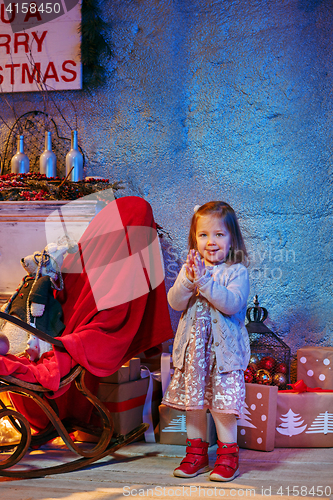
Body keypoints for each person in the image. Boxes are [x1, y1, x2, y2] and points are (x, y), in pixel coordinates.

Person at [0, 196, 173, 431]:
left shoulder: (115, 275)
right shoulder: (92, 266)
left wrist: (68, 343)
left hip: (63, 342)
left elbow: (110, 321)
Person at [162, 201, 250, 482]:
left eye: (219, 235)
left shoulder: (236, 272)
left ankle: (228, 458)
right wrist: (189, 280)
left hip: (223, 358)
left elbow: (232, 304)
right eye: (203, 235)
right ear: (194, 238)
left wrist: (204, 281)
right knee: (194, 405)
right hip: (194, 356)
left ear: (232, 239)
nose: (211, 242)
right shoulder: (190, 270)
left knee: (224, 407)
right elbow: (175, 303)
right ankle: (196, 455)